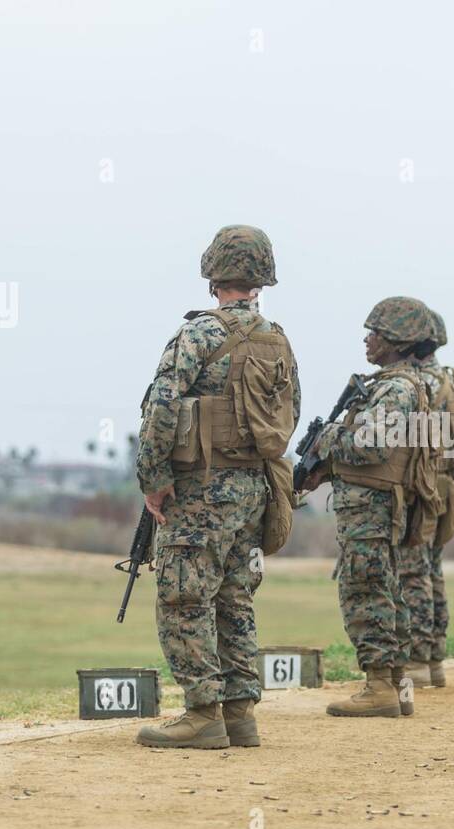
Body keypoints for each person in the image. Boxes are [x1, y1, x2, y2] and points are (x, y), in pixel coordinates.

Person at [135, 225, 299, 749]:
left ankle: (203, 713)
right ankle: (240, 713)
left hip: (201, 490)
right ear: (262, 279)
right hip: (253, 491)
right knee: (235, 597)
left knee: (184, 597)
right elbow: (289, 411)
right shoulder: (277, 339)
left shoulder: (197, 335)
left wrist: (153, 479)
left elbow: (160, 410)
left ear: (213, 275)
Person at [303, 297, 441, 717]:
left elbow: (372, 444)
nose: (368, 339)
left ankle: (379, 685)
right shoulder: (398, 384)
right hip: (375, 506)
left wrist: (326, 439)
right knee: (386, 588)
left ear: (395, 339)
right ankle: (396, 685)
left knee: (365, 589)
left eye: (375, 333)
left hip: (371, 508)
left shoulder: (396, 388)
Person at [398, 308, 454, 688]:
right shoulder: (451, 381)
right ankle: (435, 658)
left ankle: (418, 660)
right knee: (431, 571)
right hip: (444, 485)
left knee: (412, 572)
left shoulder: (417, 383)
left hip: (419, 488)